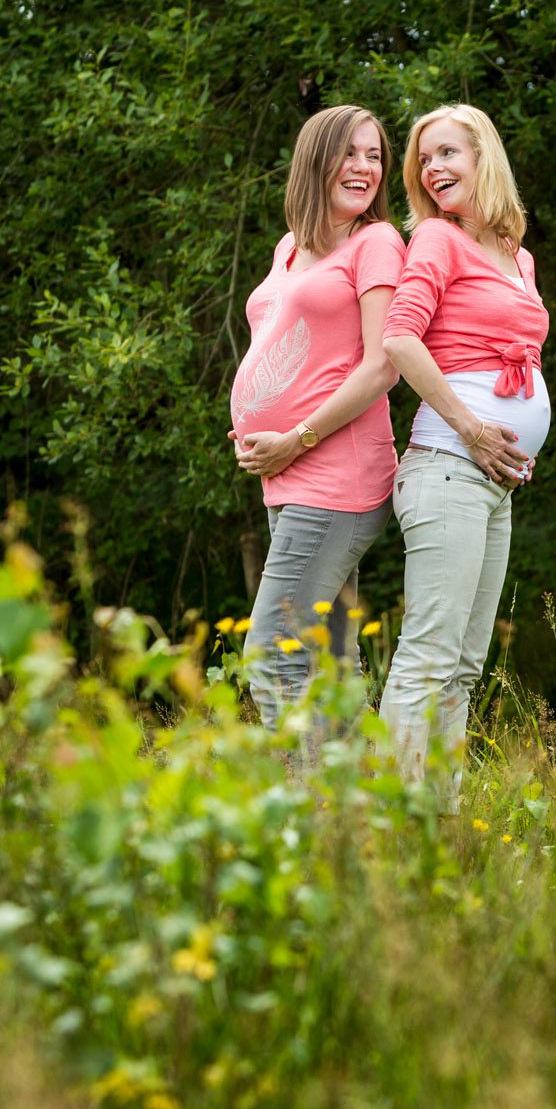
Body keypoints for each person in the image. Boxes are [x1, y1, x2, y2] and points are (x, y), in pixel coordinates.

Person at [378, 104, 550, 804]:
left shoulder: (516, 252)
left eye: (447, 152)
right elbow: (399, 339)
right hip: (448, 465)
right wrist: (475, 427)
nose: (433, 168)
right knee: (427, 658)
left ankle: (435, 816)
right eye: (424, 159)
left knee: (463, 667)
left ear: (485, 157)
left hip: (491, 484)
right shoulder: (436, 242)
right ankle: (389, 821)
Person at [230, 104, 406, 735]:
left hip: (336, 475)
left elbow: (382, 365)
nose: (365, 167)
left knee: (274, 652)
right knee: (330, 661)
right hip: (286, 473)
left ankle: (309, 813)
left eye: (375, 156)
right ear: (315, 160)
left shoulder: (378, 243)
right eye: (351, 153)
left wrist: (295, 437)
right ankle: (359, 815)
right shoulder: (290, 247)